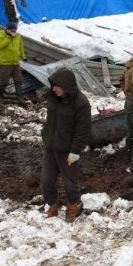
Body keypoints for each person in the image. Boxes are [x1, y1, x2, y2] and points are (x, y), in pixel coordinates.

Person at [41, 68, 91, 223]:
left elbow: (83, 130)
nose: (54, 89)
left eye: (57, 86)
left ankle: (73, 205)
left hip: (68, 151)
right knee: (46, 181)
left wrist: (75, 151)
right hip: (51, 147)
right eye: (53, 86)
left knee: (70, 183)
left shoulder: (81, 103)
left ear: (67, 86)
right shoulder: (53, 98)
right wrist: (46, 134)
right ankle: (53, 205)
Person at [0, 21, 25, 101]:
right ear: (7, 30)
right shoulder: (0, 35)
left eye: (15, 30)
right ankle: (0, 96)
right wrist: (8, 37)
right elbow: (0, 46)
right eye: (12, 31)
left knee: (18, 80)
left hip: (15, 62)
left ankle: (20, 97)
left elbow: (20, 47)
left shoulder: (18, 36)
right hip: (5, 63)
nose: (14, 32)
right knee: (4, 81)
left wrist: (23, 56)